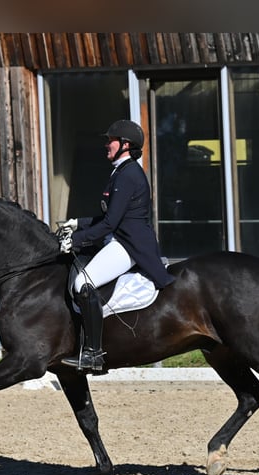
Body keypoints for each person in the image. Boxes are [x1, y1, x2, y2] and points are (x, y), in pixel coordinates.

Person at [58, 119, 175, 374]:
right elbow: (111, 216)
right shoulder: (121, 171)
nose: (106, 145)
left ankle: (93, 354)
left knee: (83, 283)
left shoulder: (129, 174)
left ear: (125, 145)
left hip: (129, 245)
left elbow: (111, 223)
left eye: (110, 140)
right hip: (120, 238)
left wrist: (76, 240)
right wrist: (77, 223)